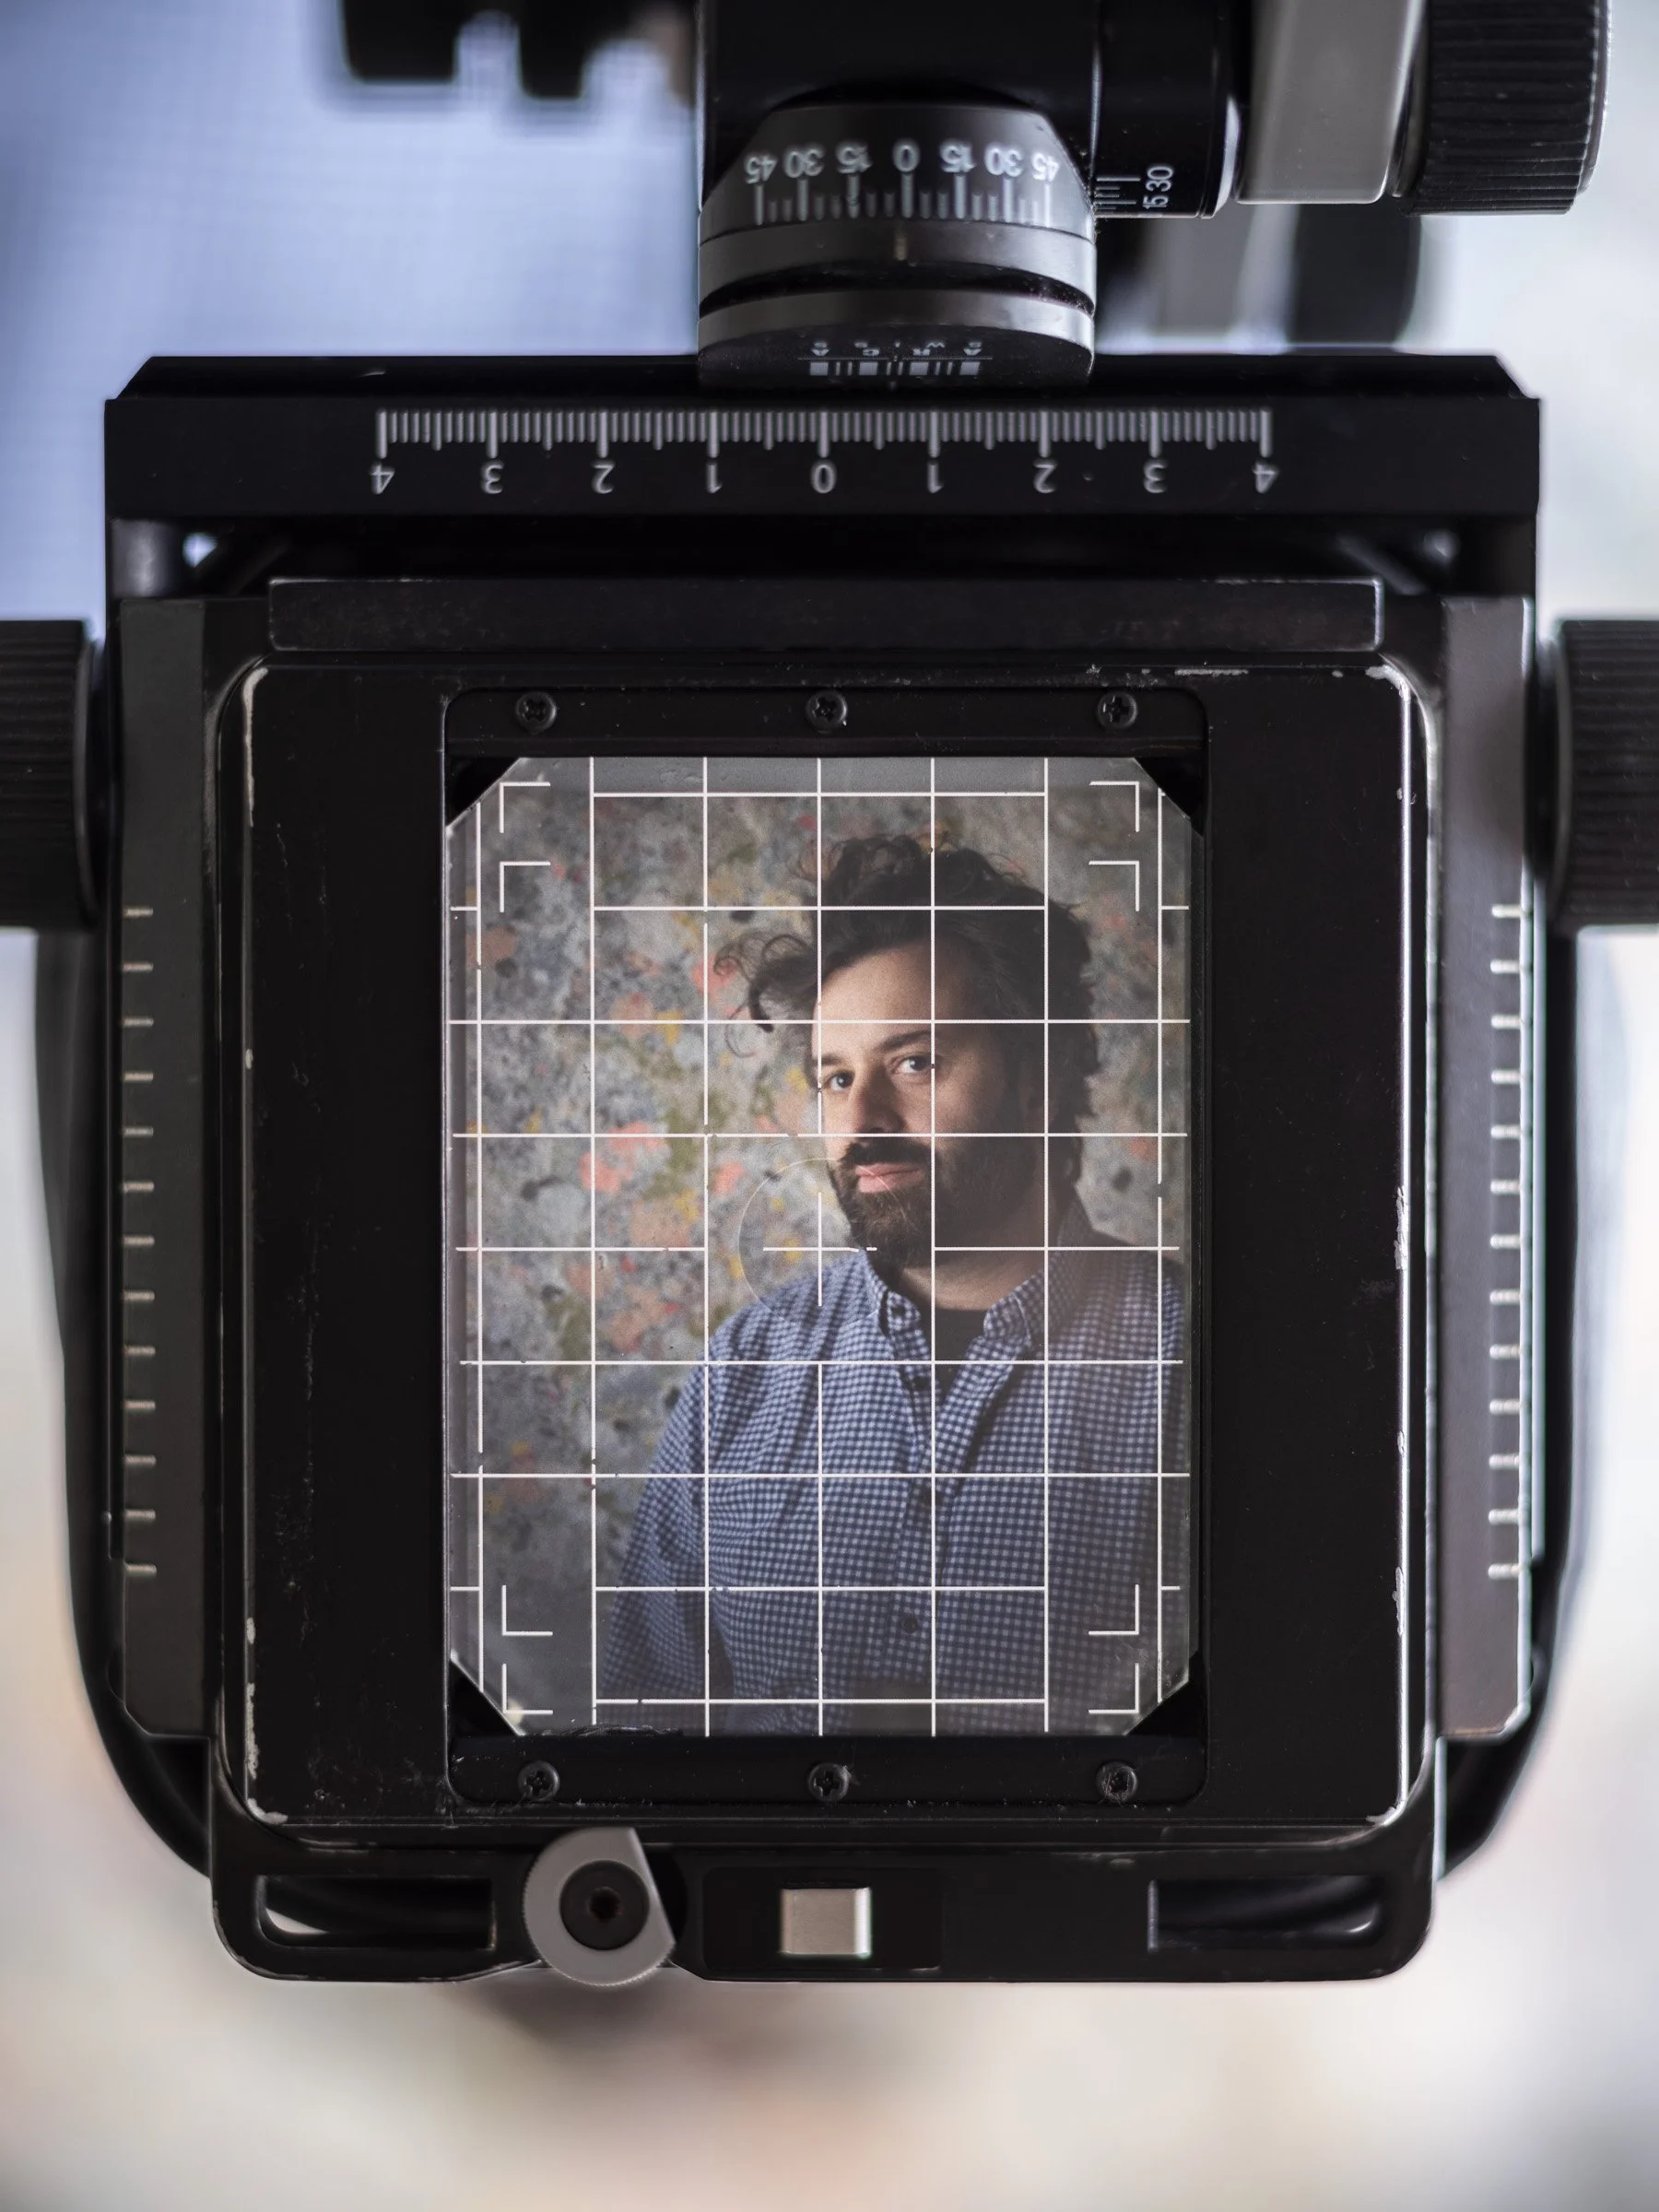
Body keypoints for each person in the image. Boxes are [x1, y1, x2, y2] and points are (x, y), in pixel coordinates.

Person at [603, 833, 1183, 1734]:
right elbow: (644, 1735)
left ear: (1036, 1077)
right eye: (836, 1078)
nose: (862, 1121)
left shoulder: (1196, 1364)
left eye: (915, 1063)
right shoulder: (744, 1375)